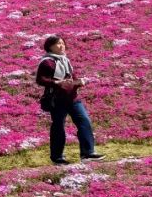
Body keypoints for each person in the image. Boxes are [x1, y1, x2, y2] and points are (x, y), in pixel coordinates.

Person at [36, 36, 104, 164]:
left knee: (84, 121)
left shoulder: (65, 60)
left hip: (73, 98)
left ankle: (88, 153)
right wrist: (57, 83)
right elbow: (40, 80)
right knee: (58, 127)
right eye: (58, 44)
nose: (61, 46)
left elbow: (71, 77)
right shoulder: (47, 62)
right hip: (57, 100)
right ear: (50, 47)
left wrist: (78, 82)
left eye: (62, 43)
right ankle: (57, 157)